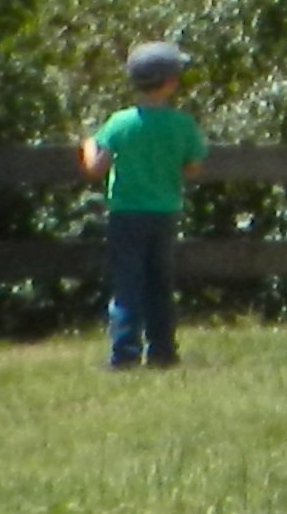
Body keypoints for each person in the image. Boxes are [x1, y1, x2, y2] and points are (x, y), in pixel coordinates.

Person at [79, 42, 206, 372]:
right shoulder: (182, 124)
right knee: (160, 284)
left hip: (125, 214)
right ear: (170, 82)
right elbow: (193, 168)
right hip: (164, 212)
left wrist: (88, 144)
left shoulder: (120, 123)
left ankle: (125, 352)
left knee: (127, 285)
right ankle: (163, 350)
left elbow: (95, 167)